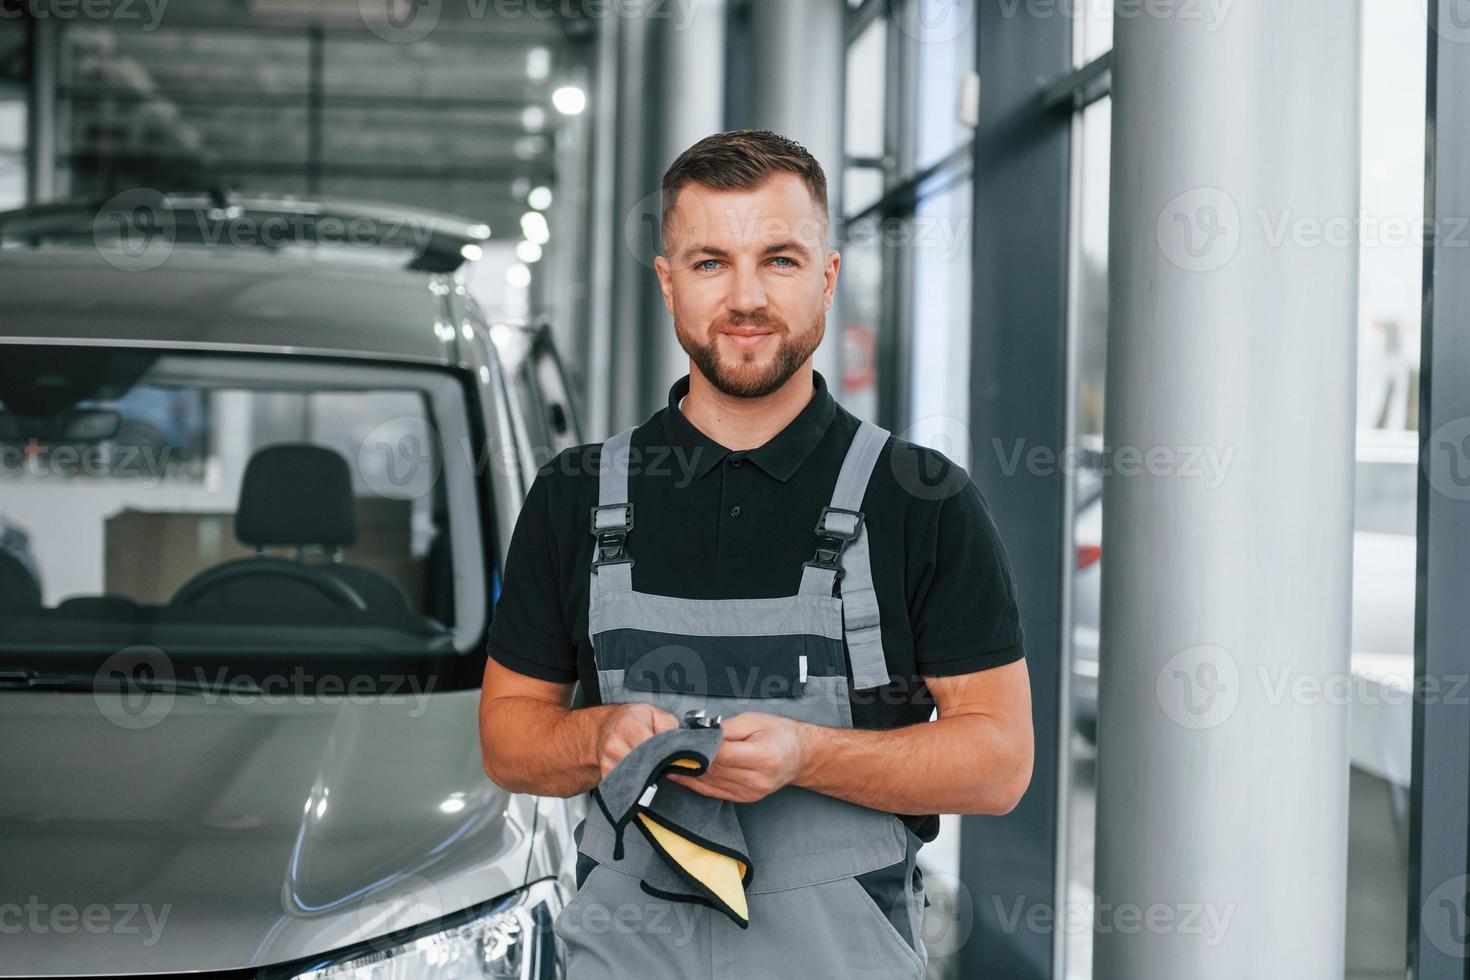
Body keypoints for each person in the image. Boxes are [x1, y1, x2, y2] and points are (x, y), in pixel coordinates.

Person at [479, 129, 1033, 978]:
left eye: (778, 258)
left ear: (827, 275)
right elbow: (507, 739)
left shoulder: (922, 499)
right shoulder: (575, 495)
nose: (745, 298)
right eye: (709, 263)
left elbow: (998, 763)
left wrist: (808, 756)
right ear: (668, 284)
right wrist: (602, 735)